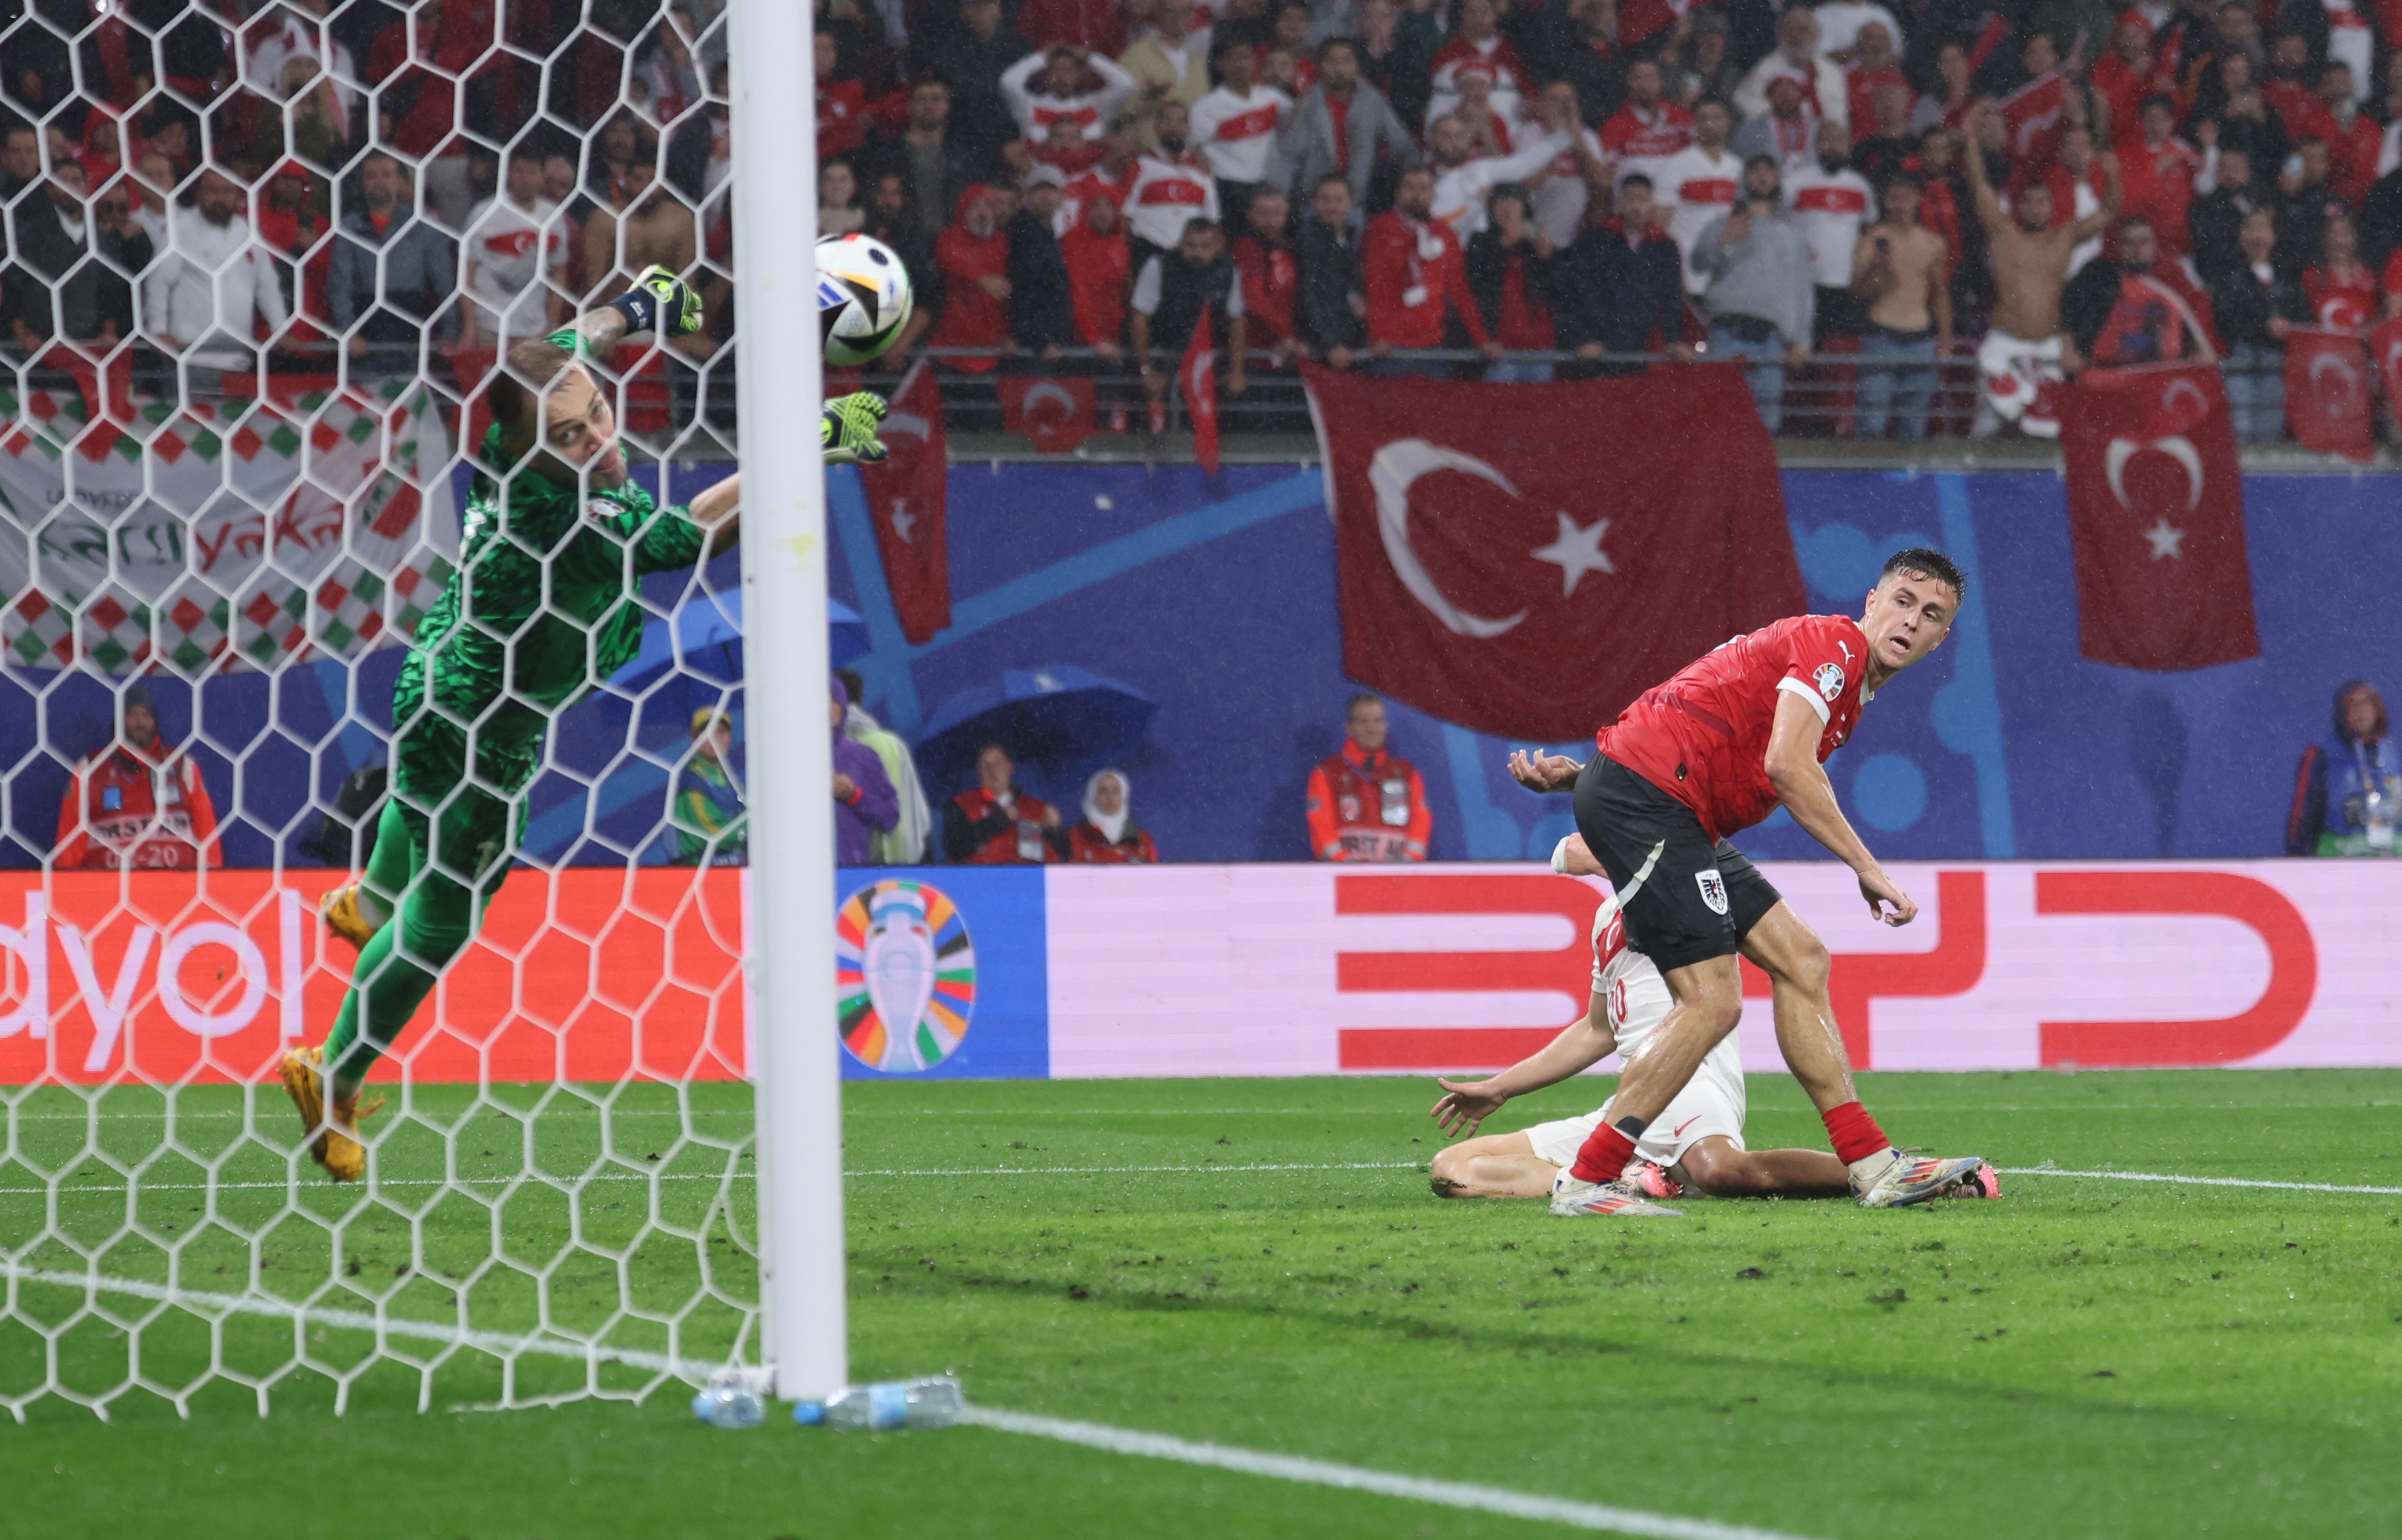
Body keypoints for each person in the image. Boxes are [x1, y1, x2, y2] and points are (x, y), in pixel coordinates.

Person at [284, 268, 738, 1183]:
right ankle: (330, 1073)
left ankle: (367, 899)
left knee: (414, 819)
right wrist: (811, 449)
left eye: (598, 416)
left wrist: (635, 309)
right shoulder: (571, 512)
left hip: (437, 673)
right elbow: (692, 536)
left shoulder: (515, 424)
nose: (598, 440)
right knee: (447, 920)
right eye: (570, 438)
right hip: (490, 734)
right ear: (536, 453)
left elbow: (559, 351)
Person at [1505, 550, 1986, 1217]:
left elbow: (1702, 710)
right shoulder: (1835, 646)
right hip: (1652, 802)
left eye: (1930, 615)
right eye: (1902, 600)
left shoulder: (1846, 687)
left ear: (1939, 640)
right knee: (1712, 1001)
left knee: (1801, 958)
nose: (1911, 620)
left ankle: (1873, 1165)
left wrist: (1584, 775)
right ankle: (1588, 1179)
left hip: (1664, 803)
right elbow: (1787, 766)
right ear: (1870, 602)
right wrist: (1866, 867)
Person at [1428, 837, 2001, 1203]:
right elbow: (1598, 1030)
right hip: (1633, 1096)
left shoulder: (1687, 884)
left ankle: (1907, 1175)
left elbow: (1584, 851)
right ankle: (1623, 1182)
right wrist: (1499, 1088)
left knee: (1722, 1171)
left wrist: (1599, 813)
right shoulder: (1608, 916)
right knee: (1454, 1168)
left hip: (1690, 1077)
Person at [1965, 102, 2122, 438]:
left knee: (2048, 433)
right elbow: (1979, 186)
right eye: (2029, 202)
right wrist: (1970, 141)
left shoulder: (2064, 237)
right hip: (2004, 344)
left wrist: (2113, 174)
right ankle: (1976, 489)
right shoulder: (2004, 233)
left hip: (2047, 347)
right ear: (2018, 206)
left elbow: (2110, 211)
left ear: (2052, 207)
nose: (2035, 208)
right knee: (1987, 427)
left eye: (2042, 202)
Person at [1691, 154, 1814, 433]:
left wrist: (1802, 340)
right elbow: (1697, 264)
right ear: (1745, 179)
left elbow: (1803, 291)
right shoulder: (1722, 225)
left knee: (1765, 421)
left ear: (1777, 180)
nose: (1761, 176)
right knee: (1717, 415)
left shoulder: (1791, 236)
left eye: (1768, 171)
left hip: (1770, 339)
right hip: (1726, 332)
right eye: (1755, 170)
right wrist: (1721, 240)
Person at [140, 166, 292, 381]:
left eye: (227, 191)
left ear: (237, 195)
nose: (220, 198)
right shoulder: (181, 228)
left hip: (238, 358)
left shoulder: (246, 230)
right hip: (192, 359)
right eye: (212, 191)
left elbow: (266, 283)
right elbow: (158, 282)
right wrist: (158, 329)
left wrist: (279, 326)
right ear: (199, 194)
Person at [53, 682, 220, 872]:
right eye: (132, 715)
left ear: (155, 721)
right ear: (119, 720)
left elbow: (206, 828)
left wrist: (213, 877)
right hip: (109, 887)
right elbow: (71, 832)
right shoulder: (90, 767)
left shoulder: (182, 765)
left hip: (176, 886)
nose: (140, 722)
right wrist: (65, 882)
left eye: (146, 715)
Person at [326, 151, 459, 373]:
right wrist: (349, 332)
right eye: (371, 176)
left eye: (386, 175)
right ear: (363, 183)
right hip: (366, 337)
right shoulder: (349, 228)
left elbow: (444, 282)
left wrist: (449, 331)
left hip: (411, 335)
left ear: (399, 181)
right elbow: (340, 286)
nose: (379, 182)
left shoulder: (423, 226)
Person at [1362, 166, 1498, 371]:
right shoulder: (1381, 228)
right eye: (1410, 187)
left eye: (1423, 188)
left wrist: (1482, 339)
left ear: (1433, 194)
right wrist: (1379, 335)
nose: (1417, 194)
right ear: (1397, 193)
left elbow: (1459, 290)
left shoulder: (1444, 233)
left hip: (1432, 346)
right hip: (1390, 347)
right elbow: (1376, 286)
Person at [1268, 36, 1420, 211]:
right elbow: (1289, 156)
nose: (1339, 68)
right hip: (1314, 201)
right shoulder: (1307, 105)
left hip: (1357, 200)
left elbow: (1402, 144)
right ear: (1321, 66)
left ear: (1357, 65)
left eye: (1346, 61)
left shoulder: (1373, 101)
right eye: (1332, 61)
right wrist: (1277, 199)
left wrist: (1414, 182)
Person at [1557, 173, 1684, 369]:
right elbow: (1578, 292)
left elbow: (1671, 298)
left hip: (1639, 345)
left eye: (1643, 199)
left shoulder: (1665, 246)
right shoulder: (1595, 240)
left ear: (1652, 203)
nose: (1637, 207)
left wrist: (1673, 340)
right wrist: (1583, 339)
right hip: (1596, 346)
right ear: (1620, 202)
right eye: (1630, 199)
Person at [1131, 216, 1247, 428]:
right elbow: (1139, 319)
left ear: (1217, 246)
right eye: (1191, 246)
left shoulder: (1229, 270)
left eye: (1205, 246)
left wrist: (1236, 370)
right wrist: (1147, 371)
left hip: (1208, 363)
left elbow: (1237, 321)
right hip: (1163, 357)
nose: (1198, 253)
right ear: (1180, 242)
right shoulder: (1159, 266)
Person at [2062, 215, 2219, 369]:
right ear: (2119, 246)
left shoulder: (2173, 280)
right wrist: (2069, 350)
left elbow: (2198, 323)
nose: (2136, 249)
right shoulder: (2098, 276)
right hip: (2107, 373)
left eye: (2144, 242)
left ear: (2155, 245)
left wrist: (2200, 351)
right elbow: (2069, 306)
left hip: (2162, 376)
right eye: (2129, 242)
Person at [2209, 208, 2308, 442]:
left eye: (2262, 228)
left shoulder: (2287, 276)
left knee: (2270, 427)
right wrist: (2263, 327)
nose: (2257, 236)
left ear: (2273, 236)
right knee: (2239, 427)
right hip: (2240, 357)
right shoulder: (2228, 274)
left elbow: (2303, 313)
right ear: (2241, 234)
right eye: (2251, 228)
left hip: (2277, 358)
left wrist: (2289, 328)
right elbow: (2225, 318)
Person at [459, 147, 568, 350]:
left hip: (535, 329)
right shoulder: (483, 213)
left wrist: (551, 325)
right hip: (489, 327)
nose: (525, 179)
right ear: (508, 173)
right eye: (519, 171)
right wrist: (470, 326)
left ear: (543, 177)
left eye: (532, 172)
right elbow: (466, 275)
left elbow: (559, 273)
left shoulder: (554, 217)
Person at [1305, 694, 1430, 861]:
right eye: (1363, 722)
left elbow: (1421, 823)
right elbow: (1320, 826)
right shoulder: (1327, 773)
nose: (1371, 729)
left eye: (1377, 721)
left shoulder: (1407, 774)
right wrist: (1345, 864)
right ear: (1349, 728)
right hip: (1344, 879)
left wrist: (1407, 862)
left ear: (1385, 726)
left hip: (1398, 879)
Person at [2286, 680, 2398, 857]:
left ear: (2378, 709)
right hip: (2340, 861)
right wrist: (2302, 863)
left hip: (2392, 859)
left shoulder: (2395, 755)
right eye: (2353, 704)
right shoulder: (2321, 756)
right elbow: (2302, 822)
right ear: (2342, 712)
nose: (2360, 710)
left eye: (2367, 702)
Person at [1189, 35, 1293, 225]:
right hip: (1226, 186)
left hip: (1264, 185)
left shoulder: (1273, 99)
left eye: (1246, 58)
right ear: (1221, 64)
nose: (1240, 64)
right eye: (1233, 58)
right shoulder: (1205, 107)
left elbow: (1298, 122)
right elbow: (1191, 148)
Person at [837, 668, 935, 864]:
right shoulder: (892, 743)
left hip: (853, 866)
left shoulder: (824, 748)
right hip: (903, 860)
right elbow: (915, 808)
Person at [1464, 182, 1561, 379]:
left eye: (1514, 202)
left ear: (1524, 208)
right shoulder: (1480, 240)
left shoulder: (1534, 242)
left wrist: (1548, 256)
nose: (1507, 208)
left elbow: (1559, 286)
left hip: (1539, 348)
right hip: (1499, 348)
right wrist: (1507, 241)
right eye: (1500, 202)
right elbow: (1479, 279)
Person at [1653, 97, 1742, 295]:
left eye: (1717, 118)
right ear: (1694, 123)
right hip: (1687, 274)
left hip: (1728, 277)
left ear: (1728, 122)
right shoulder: (1675, 166)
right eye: (1703, 119)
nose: (1710, 124)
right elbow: (1659, 226)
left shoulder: (1738, 168)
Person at [944, 743, 1064, 862]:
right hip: (978, 878)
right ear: (978, 771)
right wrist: (999, 820)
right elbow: (954, 847)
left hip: (1025, 879)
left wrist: (1054, 831)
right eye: (985, 765)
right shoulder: (961, 803)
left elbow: (1064, 857)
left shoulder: (1035, 807)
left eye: (998, 763)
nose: (992, 770)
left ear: (1010, 767)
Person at [1007, 163, 1079, 355]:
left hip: (1046, 341)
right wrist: (1040, 340)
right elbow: (1025, 291)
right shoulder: (1024, 233)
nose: (1046, 195)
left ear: (1062, 196)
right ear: (1027, 196)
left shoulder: (1045, 233)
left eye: (1052, 189)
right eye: (1039, 189)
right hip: (1034, 346)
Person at [1295, 173, 1366, 366]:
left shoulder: (1348, 239)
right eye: (1325, 200)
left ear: (1350, 203)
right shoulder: (1310, 242)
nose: (1332, 206)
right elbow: (1310, 297)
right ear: (1314, 203)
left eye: (1338, 200)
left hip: (1346, 342)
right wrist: (1330, 344)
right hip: (1325, 349)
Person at [830, 676, 901, 864]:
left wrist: (854, 796)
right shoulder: (786, 762)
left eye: (835, 699)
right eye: (820, 699)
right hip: (796, 877)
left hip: (851, 875)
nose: (829, 707)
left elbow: (889, 818)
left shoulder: (862, 756)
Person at [1231, 186, 1303, 364]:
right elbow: (1254, 299)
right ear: (1249, 215)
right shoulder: (1247, 248)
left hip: (1291, 349)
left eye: (1277, 214)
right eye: (1263, 214)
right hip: (1259, 351)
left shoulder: (1292, 248)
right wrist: (1288, 333)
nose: (1270, 221)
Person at [671, 708, 746, 865]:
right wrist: (749, 830)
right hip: (702, 871)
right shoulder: (692, 783)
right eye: (707, 732)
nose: (715, 738)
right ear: (694, 739)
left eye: (721, 732)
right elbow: (708, 834)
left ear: (730, 738)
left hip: (737, 867)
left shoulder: (731, 779)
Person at [1066, 769, 1160, 861]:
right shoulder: (1075, 837)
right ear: (1093, 796)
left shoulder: (1143, 841)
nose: (1110, 798)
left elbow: (1153, 875)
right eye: (1103, 791)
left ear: (1123, 796)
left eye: (1115, 791)